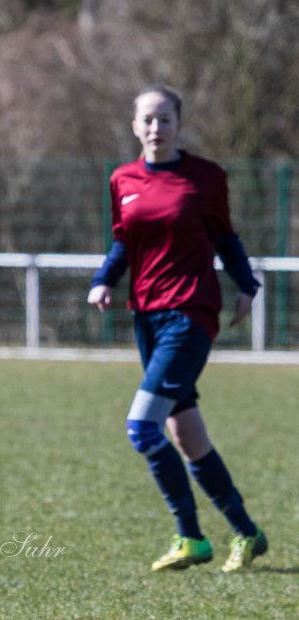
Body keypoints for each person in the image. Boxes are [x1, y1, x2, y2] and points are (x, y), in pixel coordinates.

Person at [87, 85, 267, 573]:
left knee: (142, 427)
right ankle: (248, 533)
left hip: (191, 313)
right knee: (186, 435)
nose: (155, 128)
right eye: (147, 119)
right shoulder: (122, 178)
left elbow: (226, 238)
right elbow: (123, 241)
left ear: (178, 124)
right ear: (134, 126)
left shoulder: (205, 177)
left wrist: (246, 285)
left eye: (164, 119)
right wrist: (104, 281)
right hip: (146, 314)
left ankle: (191, 537)